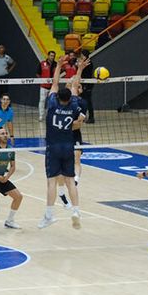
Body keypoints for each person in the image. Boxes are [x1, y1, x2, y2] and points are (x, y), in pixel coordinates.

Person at [39, 54, 83, 230]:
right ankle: (76, 211)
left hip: (53, 148)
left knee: (51, 182)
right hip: (68, 147)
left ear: (58, 97)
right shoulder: (72, 106)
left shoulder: (52, 104)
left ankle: (49, 215)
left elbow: (55, 83)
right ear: (69, 98)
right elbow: (74, 85)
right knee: (70, 181)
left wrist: (58, 66)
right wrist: (79, 69)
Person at [59, 66, 89, 208]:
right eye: (71, 85)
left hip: (74, 134)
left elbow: (78, 124)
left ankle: (76, 180)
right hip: (60, 136)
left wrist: (64, 124)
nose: (76, 86)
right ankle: (61, 191)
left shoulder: (82, 103)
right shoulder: (61, 100)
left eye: (77, 86)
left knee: (77, 157)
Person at [37, 51, 57, 121]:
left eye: (53, 56)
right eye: (51, 55)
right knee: (42, 101)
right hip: (43, 86)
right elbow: (38, 73)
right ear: (48, 56)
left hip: (53, 87)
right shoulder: (42, 64)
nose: (52, 57)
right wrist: (41, 81)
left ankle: (50, 115)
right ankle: (41, 116)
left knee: (52, 102)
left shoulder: (56, 64)